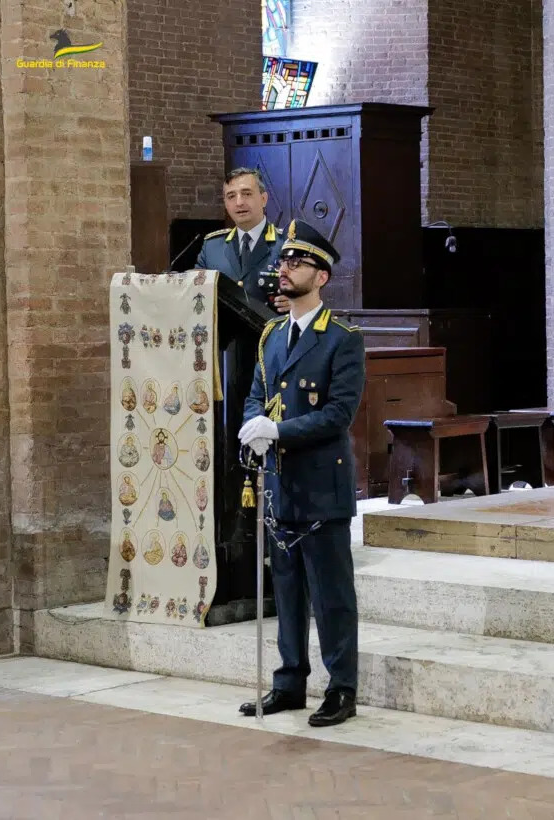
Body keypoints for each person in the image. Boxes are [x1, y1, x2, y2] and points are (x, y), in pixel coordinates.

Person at [237, 219, 365, 728]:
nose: (284, 270)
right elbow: (254, 393)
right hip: (280, 485)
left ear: (322, 275)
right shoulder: (271, 334)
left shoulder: (342, 339)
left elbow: (338, 414)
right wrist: (254, 425)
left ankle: (341, 688)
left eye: (297, 263)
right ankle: (289, 682)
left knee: (332, 597)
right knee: (286, 591)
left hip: (321, 484)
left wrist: (279, 431)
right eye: (284, 262)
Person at [194, 168, 288, 312]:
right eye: (231, 196)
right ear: (226, 204)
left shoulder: (286, 244)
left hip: (270, 332)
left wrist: (298, 301)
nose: (239, 202)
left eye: (247, 194)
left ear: (264, 199)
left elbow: (310, 291)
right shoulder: (212, 247)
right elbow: (196, 291)